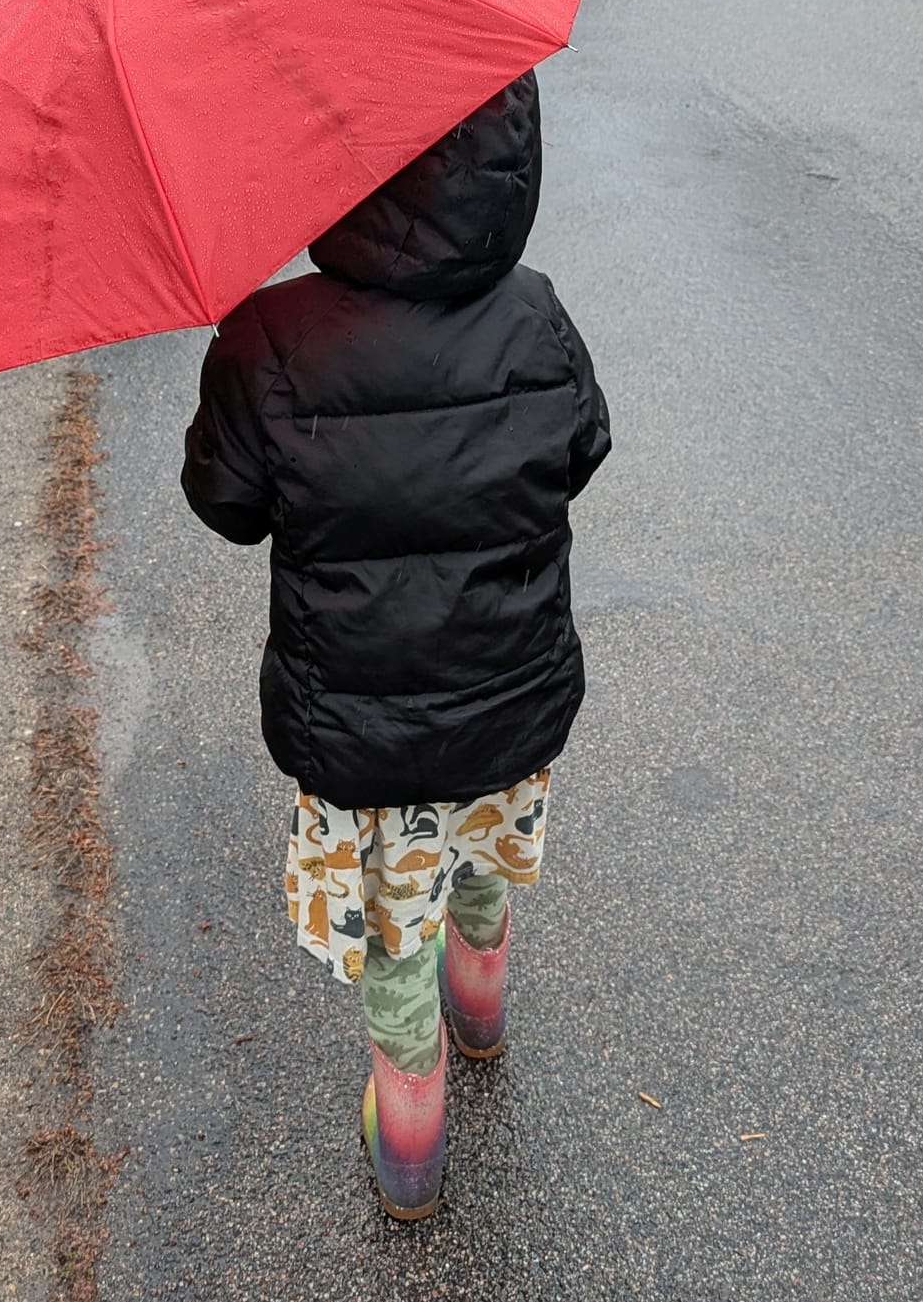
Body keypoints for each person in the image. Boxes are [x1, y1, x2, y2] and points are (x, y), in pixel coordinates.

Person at [180, 67, 610, 1220]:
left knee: (393, 907)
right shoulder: (538, 313)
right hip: (508, 699)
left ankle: (410, 1119)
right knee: (478, 848)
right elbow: (580, 448)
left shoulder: (269, 340)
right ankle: (484, 1003)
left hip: (359, 724)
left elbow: (224, 506)